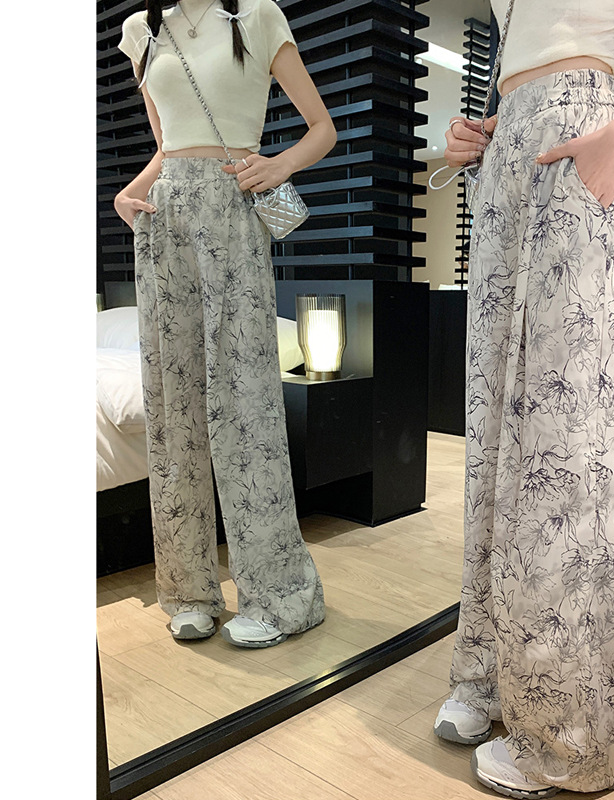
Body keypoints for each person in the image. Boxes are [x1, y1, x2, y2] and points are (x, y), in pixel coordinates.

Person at [432, 0, 614, 796]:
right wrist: (483, 131)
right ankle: (490, 670)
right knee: (493, 444)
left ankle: (568, 735)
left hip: (588, 141)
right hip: (507, 165)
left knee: (567, 457)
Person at [114, 0, 337, 648]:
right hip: (164, 220)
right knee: (174, 408)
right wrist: (130, 191)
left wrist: (280, 165)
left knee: (246, 405)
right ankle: (188, 591)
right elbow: (168, 147)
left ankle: (281, 595)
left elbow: (321, 127)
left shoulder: (258, 16)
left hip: (233, 207)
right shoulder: (141, 31)